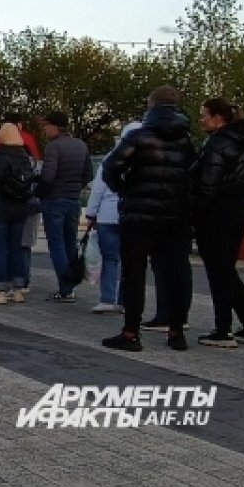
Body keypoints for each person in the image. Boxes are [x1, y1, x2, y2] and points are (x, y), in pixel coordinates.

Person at [101, 85, 196, 352]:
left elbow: (110, 167)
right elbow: (194, 179)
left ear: (151, 105)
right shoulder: (187, 141)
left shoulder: (138, 137)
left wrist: (125, 191)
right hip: (175, 217)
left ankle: (131, 333)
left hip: (138, 217)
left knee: (134, 275)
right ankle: (176, 332)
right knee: (174, 274)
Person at [189, 98, 244, 346]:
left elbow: (207, 185)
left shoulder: (217, 144)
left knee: (217, 273)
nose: (201, 120)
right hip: (237, 212)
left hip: (215, 215)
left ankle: (223, 329)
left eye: (204, 114)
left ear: (217, 117)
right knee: (228, 270)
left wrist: (194, 213)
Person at [37, 111, 94, 303]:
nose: (44, 130)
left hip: (54, 201)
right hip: (73, 200)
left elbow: (47, 176)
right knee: (70, 243)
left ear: (55, 126)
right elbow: (88, 173)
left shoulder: (54, 147)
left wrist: (39, 193)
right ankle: (70, 286)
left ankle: (65, 288)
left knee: (56, 245)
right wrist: (75, 187)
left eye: (46, 126)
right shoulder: (81, 145)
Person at [85, 122, 140, 313]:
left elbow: (98, 189)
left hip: (108, 215)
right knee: (131, 261)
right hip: (133, 215)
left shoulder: (111, 158)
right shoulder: (145, 159)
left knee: (110, 259)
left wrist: (91, 212)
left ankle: (107, 298)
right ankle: (126, 300)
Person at [0, 123, 35, 304]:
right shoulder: (24, 156)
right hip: (20, 208)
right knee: (16, 247)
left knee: (0, 249)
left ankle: (0, 289)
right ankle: (18, 289)